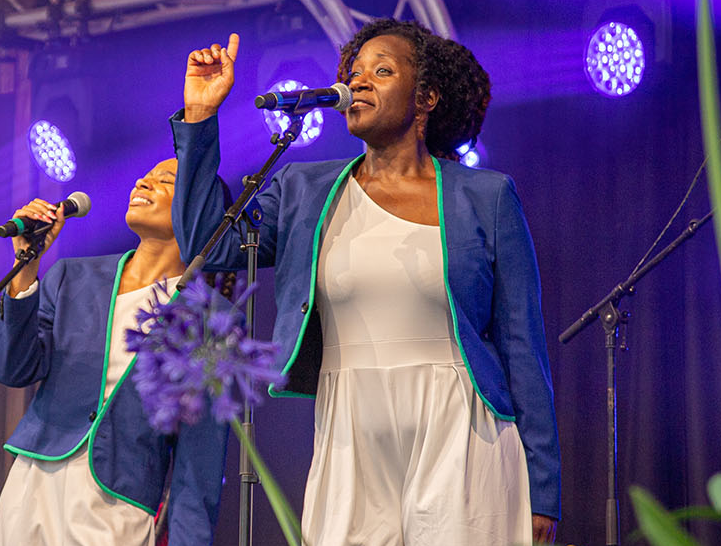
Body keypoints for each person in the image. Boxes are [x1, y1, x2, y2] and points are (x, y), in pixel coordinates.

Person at [172, 21, 561, 545]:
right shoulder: (304, 189)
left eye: (382, 71)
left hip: (460, 424)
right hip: (348, 425)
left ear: (424, 97)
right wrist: (200, 114)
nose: (360, 83)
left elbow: (522, 347)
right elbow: (209, 242)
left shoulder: (486, 197)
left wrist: (543, 488)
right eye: (354, 73)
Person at [0, 158, 228, 546]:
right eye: (144, 176)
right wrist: (25, 270)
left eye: (164, 180)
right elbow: (12, 370)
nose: (142, 183)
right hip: (34, 480)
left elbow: (199, 461)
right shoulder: (71, 277)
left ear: (201, 207)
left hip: (118, 501)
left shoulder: (211, 320)